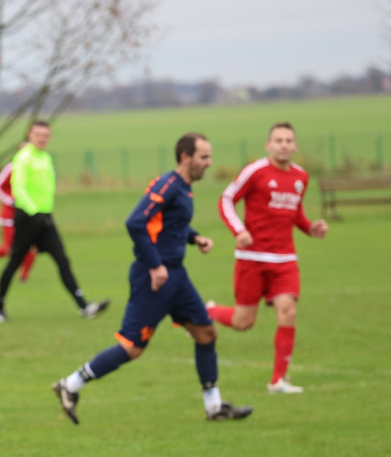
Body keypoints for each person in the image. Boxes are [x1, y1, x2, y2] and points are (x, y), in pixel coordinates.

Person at [51, 133, 253, 424]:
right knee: (131, 348)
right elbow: (135, 222)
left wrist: (195, 238)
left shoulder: (184, 188)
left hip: (176, 277)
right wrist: (156, 266)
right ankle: (70, 384)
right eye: (204, 157)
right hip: (154, 278)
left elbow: (172, 224)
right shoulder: (167, 186)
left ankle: (214, 406)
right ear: (185, 157)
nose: (209, 163)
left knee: (206, 333)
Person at [208, 122, 328, 393]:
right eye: (278, 140)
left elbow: (294, 212)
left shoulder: (301, 177)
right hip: (252, 258)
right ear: (268, 145)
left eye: (288, 140)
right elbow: (226, 199)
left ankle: (278, 381)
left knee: (288, 312)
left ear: (295, 146)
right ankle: (208, 311)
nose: (284, 145)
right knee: (244, 322)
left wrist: (310, 228)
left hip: (285, 260)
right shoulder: (256, 172)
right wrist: (239, 231)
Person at [0, 120, 108, 323]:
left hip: (45, 219)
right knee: (15, 262)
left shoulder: (45, 158)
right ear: (30, 134)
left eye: (46, 135)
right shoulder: (23, 157)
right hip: (28, 218)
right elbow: (18, 188)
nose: (42, 139)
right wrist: (34, 212)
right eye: (38, 135)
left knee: (63, 260)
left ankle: (84, 306)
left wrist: (45, 213)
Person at [0, 148, 36, 281]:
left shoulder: (34, 169)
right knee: (12, 249)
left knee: (32, 247)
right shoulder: (12, 167)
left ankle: (24, 277)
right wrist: (11, 200)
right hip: (10, 216)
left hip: (29, 215)